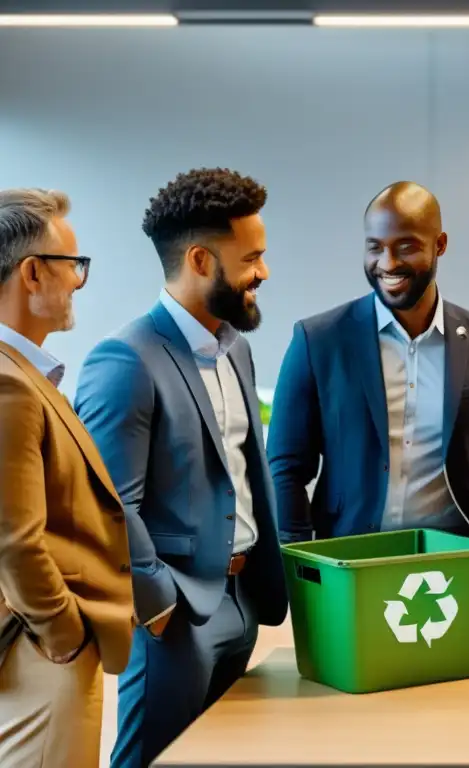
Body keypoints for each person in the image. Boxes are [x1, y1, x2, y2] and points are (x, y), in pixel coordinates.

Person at [74, 168, 288, 767]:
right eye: (251, 258)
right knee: (149, 760)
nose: (263, 273)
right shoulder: (124, 360)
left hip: (244, 600)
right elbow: (111, 503)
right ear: (200, 259)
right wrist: (160, 604)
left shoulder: (236, 348)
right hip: (177, 617)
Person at [268, 181, 469, 646]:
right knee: (348, 709)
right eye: (375, 248)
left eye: (405, 247)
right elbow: (286, 466)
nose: (387, 264)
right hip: (348, 570)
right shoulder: (318, 341)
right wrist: (301, 562)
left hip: (458, 575)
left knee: (457, 709)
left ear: (440, 245)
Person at [0, 188, 133, 767]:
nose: (79, 281)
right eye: (72, 265)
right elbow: (14, 538)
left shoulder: (26, 375)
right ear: (32, 273)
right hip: (40, 653)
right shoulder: (10, 386)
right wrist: (64, 634)